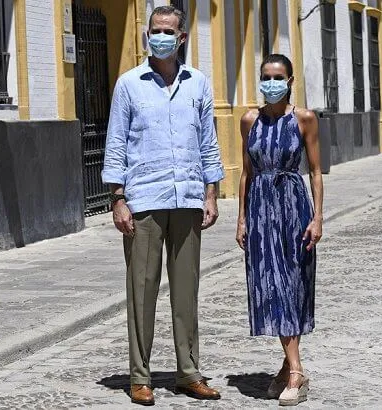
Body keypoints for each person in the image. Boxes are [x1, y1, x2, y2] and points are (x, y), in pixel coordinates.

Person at [101, 6, 225, 406]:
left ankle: (189, 373)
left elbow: (208, 140)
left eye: (168, 31)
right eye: (154, 30)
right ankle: (140, 376)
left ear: (182, 37)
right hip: (144, 201)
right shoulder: (129, 84)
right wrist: (118, 198)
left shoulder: (199, 84)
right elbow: (116, 141)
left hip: (187, 197)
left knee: (186, 292)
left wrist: (211, 192)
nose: (160, 37)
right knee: (142, 290)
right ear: (146, 35)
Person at [236, 54, 324, 407]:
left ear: (290, 81)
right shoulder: (249, 120)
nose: (271, 82)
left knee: (291, 284)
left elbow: (316, 171)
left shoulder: (304, 118)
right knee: (268, 286)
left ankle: (296, 372)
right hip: (259, 209)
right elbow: (245, 172)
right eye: (265, 76)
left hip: (293, 207)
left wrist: (317, 218)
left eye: (278, 77)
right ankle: (289, 369)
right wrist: (241, 218)